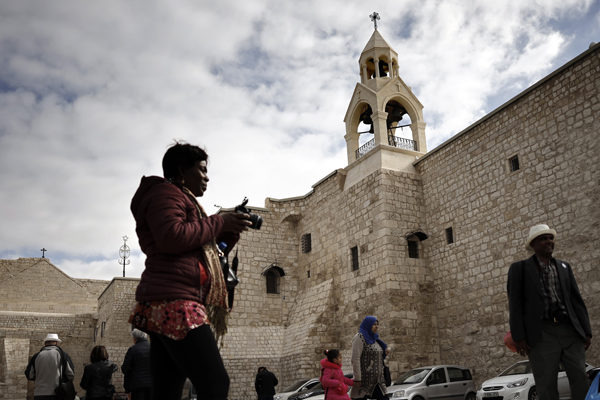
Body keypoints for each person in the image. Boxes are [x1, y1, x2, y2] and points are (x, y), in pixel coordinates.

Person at [129, 142, 252, 400]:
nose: (207, 177)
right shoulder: (166, 194)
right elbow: (172, 237)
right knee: (215, 383)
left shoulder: (183, 201)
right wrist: (219, 221)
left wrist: (227, 230)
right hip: (175, 302)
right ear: (182, 171)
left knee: (167, 389)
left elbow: (200, 249)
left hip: (166, 300)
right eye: (202, 170)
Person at [507, 224, 592, 400]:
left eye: (550, 238)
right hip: (541, 334)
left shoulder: (564, 267)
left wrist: (586, 331)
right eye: (543, 239)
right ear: (533, 244)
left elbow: (576, 301)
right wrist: (519, 336)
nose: (548, 242)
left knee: (581, 379)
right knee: (546, 385)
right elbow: (515, 304)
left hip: (570, 330)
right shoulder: (520, 269)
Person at [25, 333, 75, 400]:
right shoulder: (62, 355)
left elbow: (29, 375)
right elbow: (70, 374)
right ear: (57, 343)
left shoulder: (36, 356)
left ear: (45, 343)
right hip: (57, 394)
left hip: (39, 394)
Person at [350, 316, 389, 400]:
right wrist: (357, 378)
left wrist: (384, 352)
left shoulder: (375, 339)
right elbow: (355, 359)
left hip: (378, 381)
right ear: (368, 325)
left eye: (377, 324)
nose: (376, 326)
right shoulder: (359, 337)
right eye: (374, 324)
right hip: (364, 381)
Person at [121, 329, 153, 400]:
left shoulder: (133, 349)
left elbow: (125, 369)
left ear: (135, 338)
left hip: (137, 386)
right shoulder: (153, 349)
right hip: (152, 385)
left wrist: (127, 388)